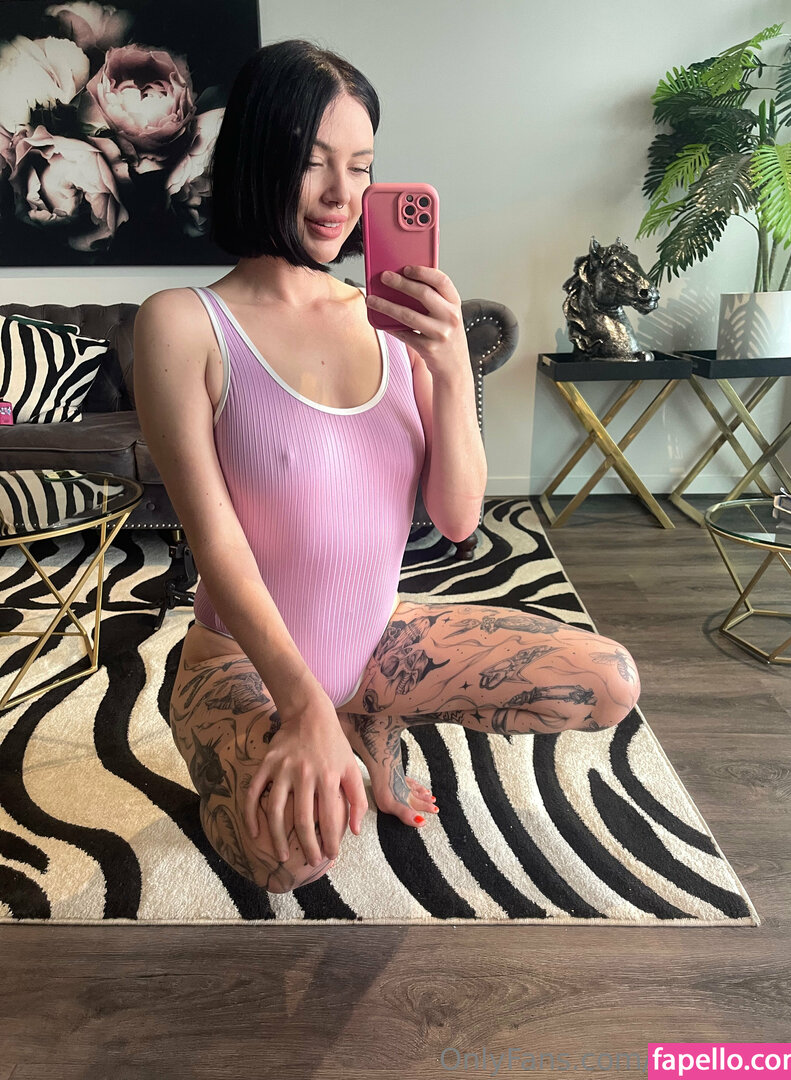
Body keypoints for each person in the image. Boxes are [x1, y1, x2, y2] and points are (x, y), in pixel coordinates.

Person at [133, 39, 641, 896]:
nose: (342, 195)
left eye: (362, 167)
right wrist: (301, 708)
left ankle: (367, 719)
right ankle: (259, 741)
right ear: (257, 159)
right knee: (295, 862)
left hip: (374, 640)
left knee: (608, 683)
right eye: (313, 162)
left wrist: (450, 366)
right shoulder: (184, 324)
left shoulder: (394, 323)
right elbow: (217, 545)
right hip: (242, 662)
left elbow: (458, 517)